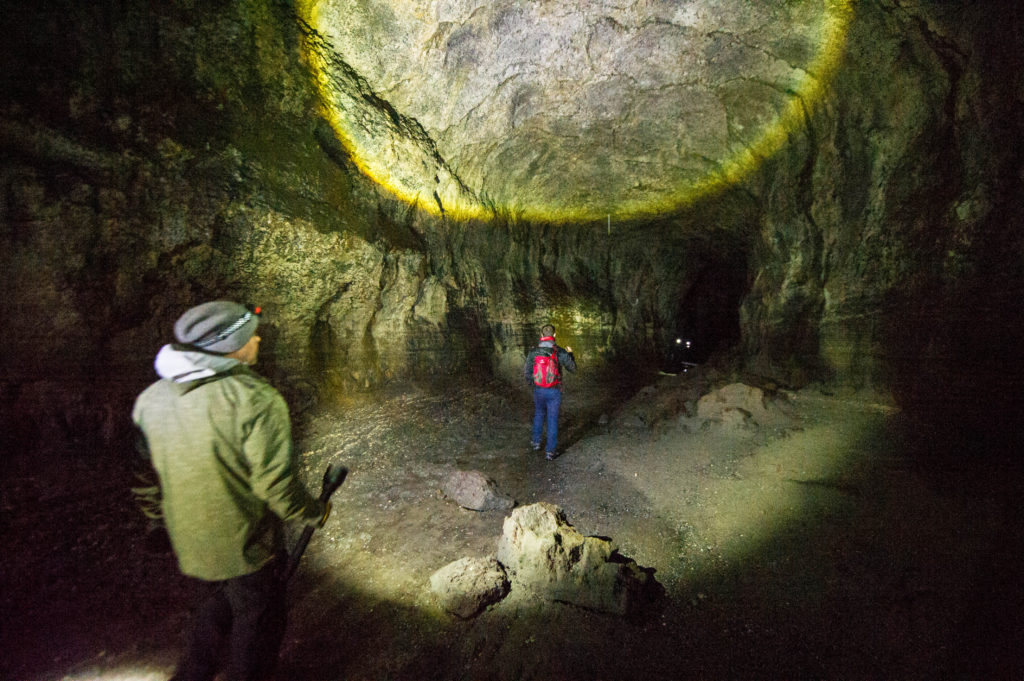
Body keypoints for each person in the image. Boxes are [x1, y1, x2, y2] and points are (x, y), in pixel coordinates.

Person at [132, 300, 329, 681]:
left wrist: (156, 521)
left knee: (207, 617)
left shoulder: (150, 400)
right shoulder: (255, 399)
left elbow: (147, 475)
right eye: (248, 335)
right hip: (246, 547)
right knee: (257, 627)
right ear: (230, 347)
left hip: (189, 545)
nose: (257, 338)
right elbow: (276, 486)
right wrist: (316, 512)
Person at [523, 324, 577, 460]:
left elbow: (527, 372)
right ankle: (550, 452)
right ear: (554, 336)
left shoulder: (533, 352)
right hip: (554, 391)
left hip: (539, 390)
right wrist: (570, 354)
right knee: (552, 419)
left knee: (539, 414)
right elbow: (573, 368)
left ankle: (536, 443)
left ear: (541, 336)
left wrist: (534, 385)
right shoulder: (559, 351)